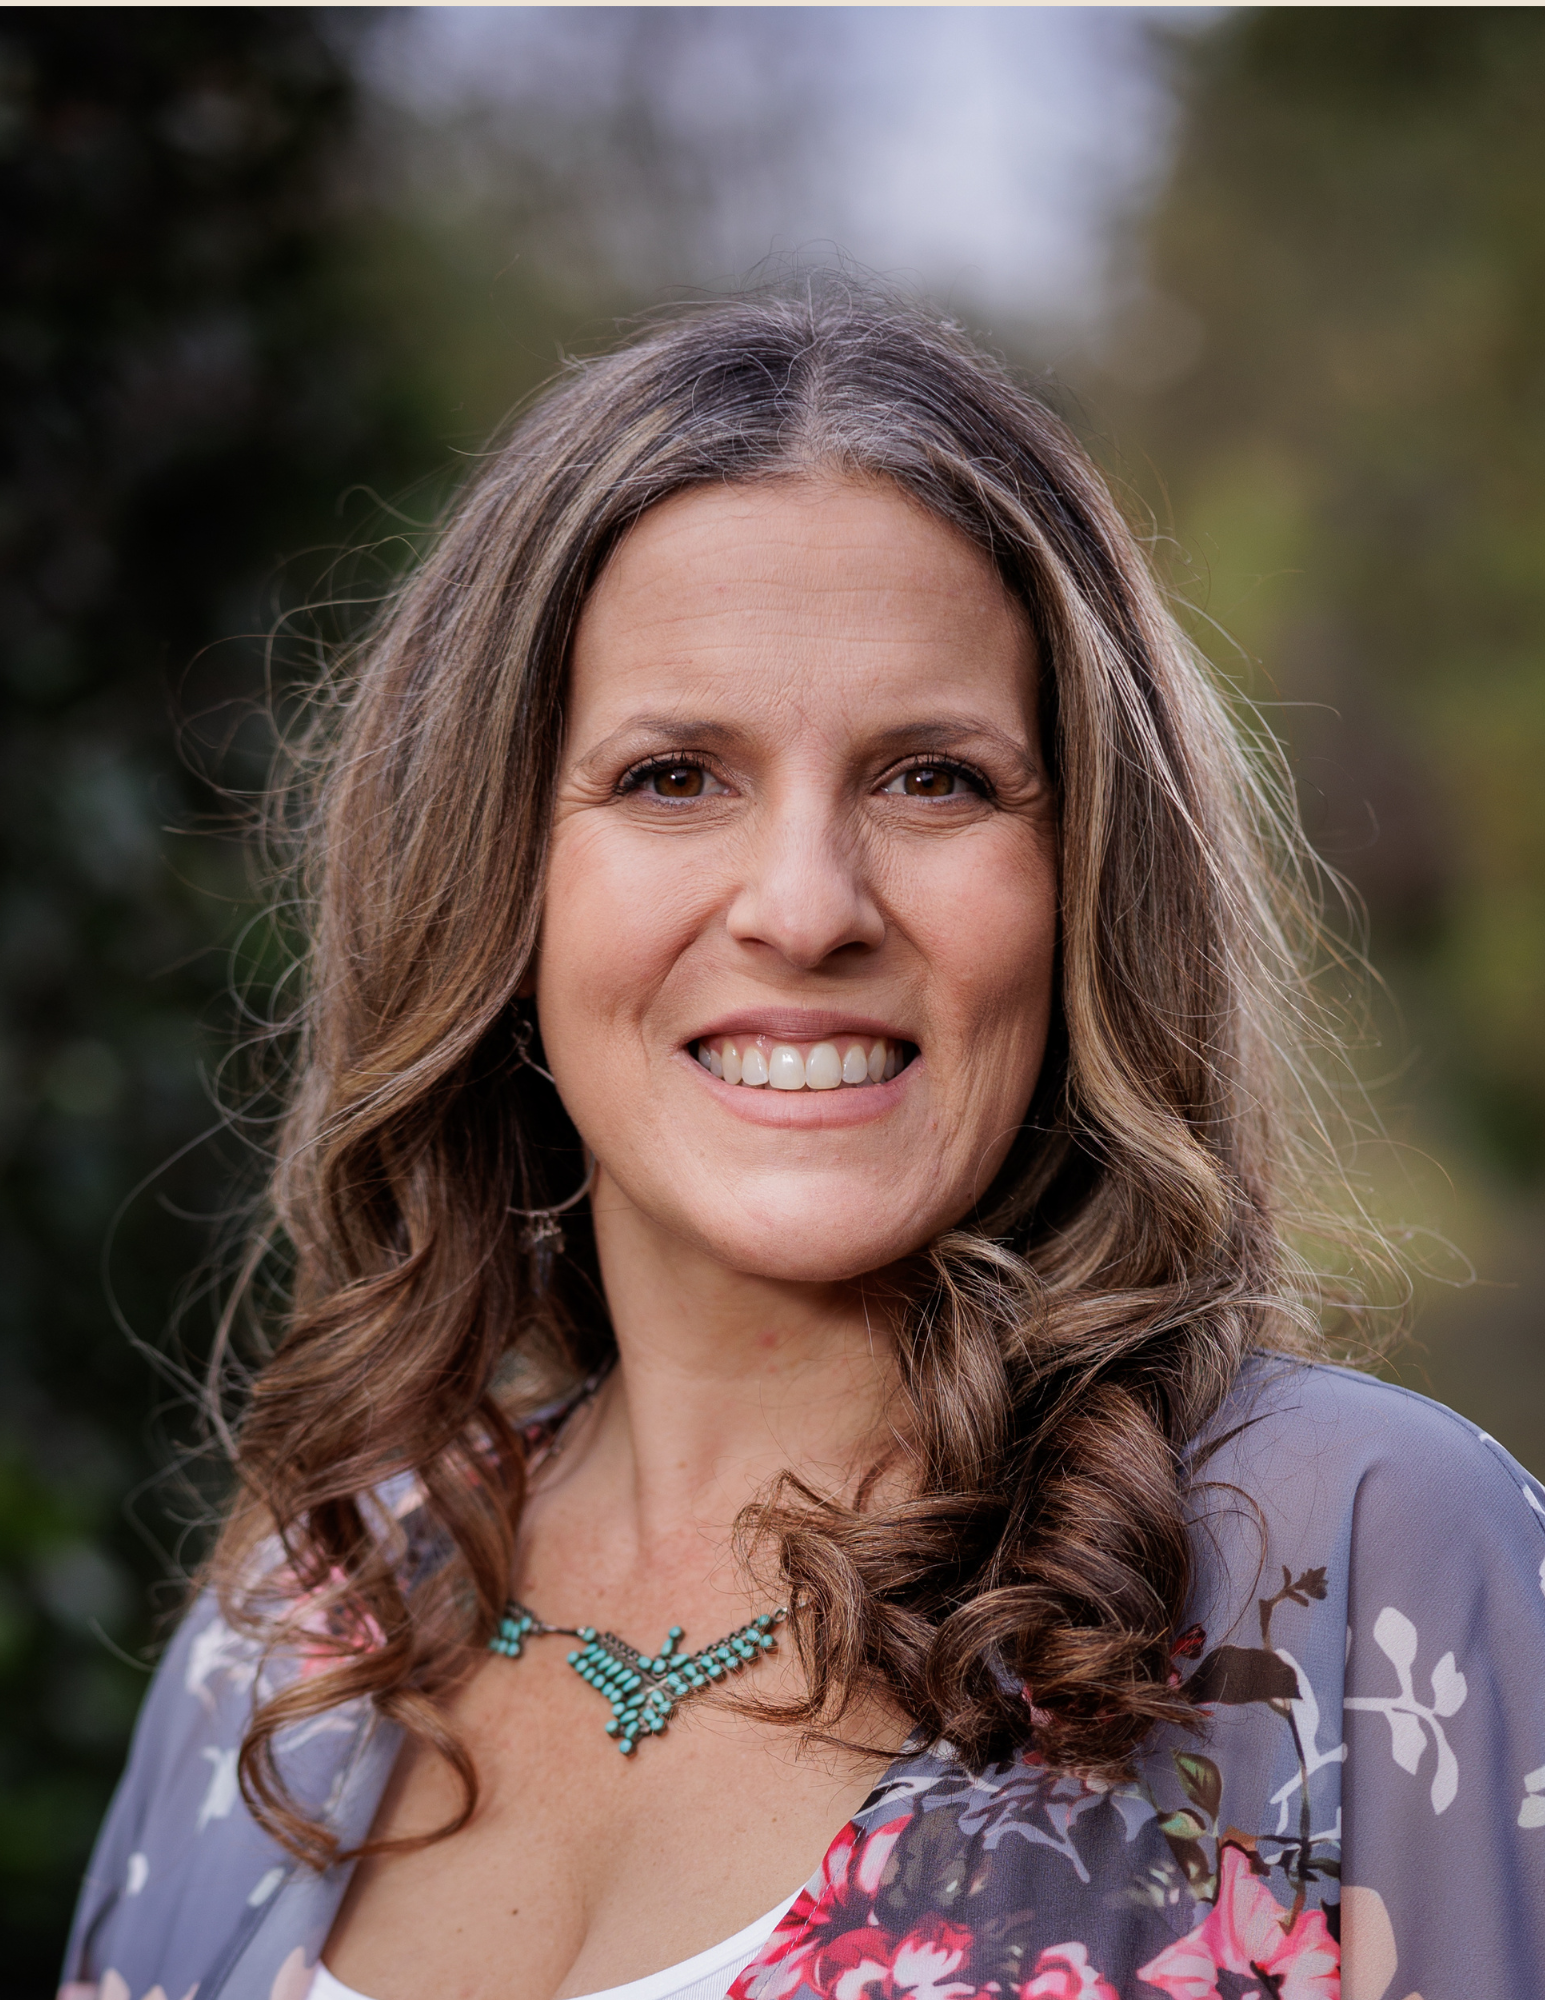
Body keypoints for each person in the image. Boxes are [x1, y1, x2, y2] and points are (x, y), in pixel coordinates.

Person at [62, 284, 1545, 2000]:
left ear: (1087, 885)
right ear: (497, 880)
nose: (805, 906)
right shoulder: (315, 1615)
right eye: (675, 776)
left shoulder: (1360, 1562)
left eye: (935, 779)